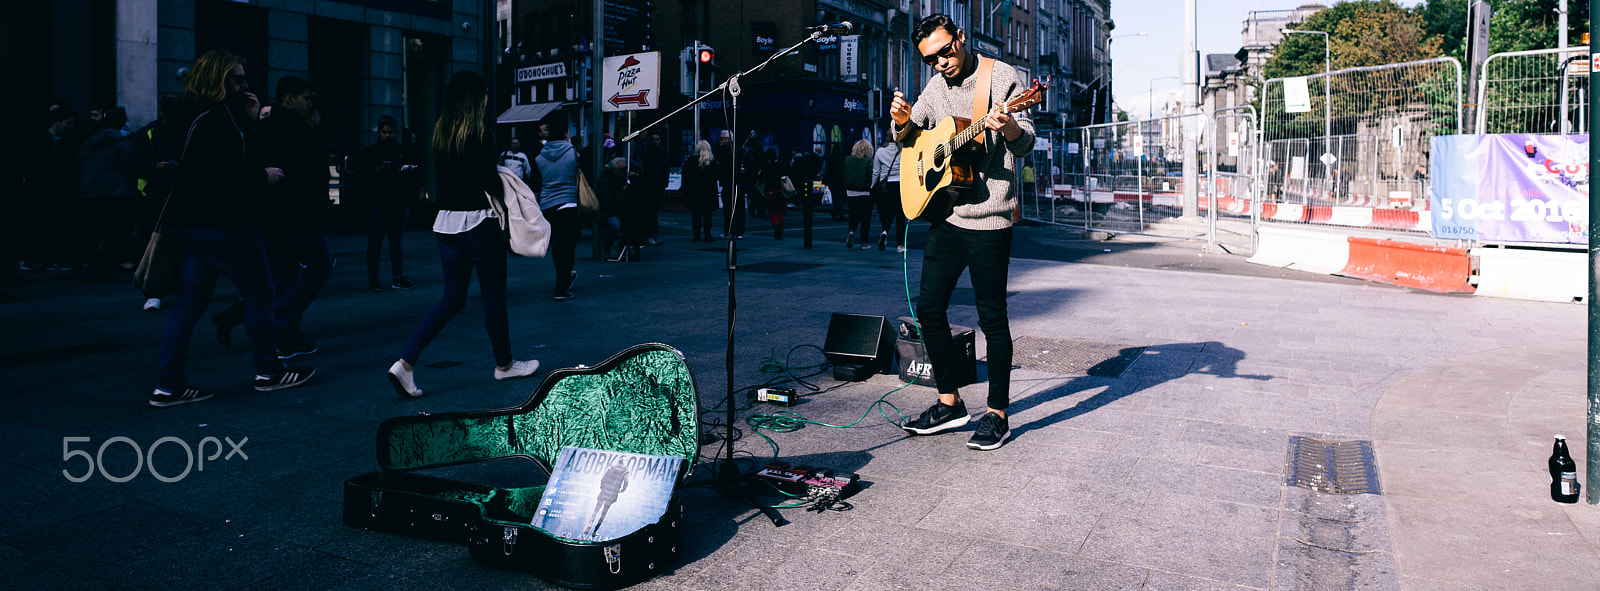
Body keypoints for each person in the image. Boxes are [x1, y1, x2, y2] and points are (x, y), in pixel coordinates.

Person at [889, 14, 1034, 450]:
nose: (941, 63)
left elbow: (1025, 140)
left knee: (992, 318)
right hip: (948, 216)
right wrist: (901, 122)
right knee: (929, 309)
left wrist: (1006, 124)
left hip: (989, 219)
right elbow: (913, 140)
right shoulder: (936, 87)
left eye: (946, 51)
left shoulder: (1001, 76)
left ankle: (997, 414)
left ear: (962, 38)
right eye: (930, 59)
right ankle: (949, 403)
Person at [151, 49, 315, 407]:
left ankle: (168, 385)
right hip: (225, 224)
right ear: (218, 80)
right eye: (236, 79)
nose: (244, 85)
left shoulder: (191, 115)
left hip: (191, 225)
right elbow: (225, 172)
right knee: (259, 294)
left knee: (188, 305)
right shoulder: (220, 119)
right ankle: (269, 371)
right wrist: (263, 172)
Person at [385, 71, 540, 398]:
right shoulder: (479, 134)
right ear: (474, 98)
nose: (486, 99)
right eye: (483, 94)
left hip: (446, 224)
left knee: (451, 298)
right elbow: (489, 182)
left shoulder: (442, 132)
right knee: (493, 296)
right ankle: (504, 364)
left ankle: (406, 363)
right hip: (479, 223)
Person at [255, 76, 333, 360]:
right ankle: (280, 322)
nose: (310, 103)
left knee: (285, 275)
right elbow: (311, 171)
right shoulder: (297, 128)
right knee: (319, 264)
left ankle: (285, 336)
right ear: (289, 98)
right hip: (298, 214)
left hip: (273, 215)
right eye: (305, 98)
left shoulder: (264, 127)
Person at [76, 106, 149, 282]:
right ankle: (102, 263)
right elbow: (130, 167)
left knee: (97, 229)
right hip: (115, 192)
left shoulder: (91, 142)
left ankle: (92, 262)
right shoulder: (121, 143)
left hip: (91, 192)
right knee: (115, 231)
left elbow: (78, 163)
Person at [354, 115, 420, 292]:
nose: (388, 135)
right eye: (385, 132)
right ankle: (376, 279)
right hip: (378, 202)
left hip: (395, 201)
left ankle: (393, 277)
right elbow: (362, 178)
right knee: (377, 242)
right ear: (379, 132)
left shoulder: (401, 151)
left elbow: (413, 174)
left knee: (394, 242)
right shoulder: (371, 153)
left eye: (390, 132)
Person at [535, 109, 581, 301]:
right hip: (568, 203)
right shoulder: (573, 154)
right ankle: (561, 287)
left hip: (547, 206)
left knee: (557, 247)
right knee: (568, 247)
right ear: (566, 134)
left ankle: (563, 279)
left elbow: (535, 183)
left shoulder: (539, 157)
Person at [872, 138, 906, 252]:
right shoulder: (903, 151)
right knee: (900, 216)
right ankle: (900, 245)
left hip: (885, 187)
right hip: (900, 185)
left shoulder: (880, 151)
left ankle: (884, 232)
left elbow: (876, 171)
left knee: (887, 214)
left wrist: (872, 187)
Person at [843, 139, 876, 249]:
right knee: (865, 219)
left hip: (850, 192)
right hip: (865, 193)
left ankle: (851, 231)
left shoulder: (847, 160)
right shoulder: (869, 161)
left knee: (853, 216)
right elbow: (871, 176)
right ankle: (864, 242)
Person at [682, 140, 718, 242]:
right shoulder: (712, 162)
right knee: (708, 215)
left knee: (696, 215)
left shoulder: (691, 161)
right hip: (708, 193)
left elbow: (686, 176)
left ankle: (696, 235)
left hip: (695, 192)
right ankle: (708, 234)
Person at [638, 132, 669, 245]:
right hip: (649, 183)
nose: (656, 142)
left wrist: (665, 182)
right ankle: (650, 235)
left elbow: (666, 168)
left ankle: (653, 235)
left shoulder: (662, 153)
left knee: (653, 210)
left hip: (657, 183)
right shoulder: (646, 153)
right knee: (650, 211)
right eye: (654, 140)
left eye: (657, 139)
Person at [713, 130, 744, 239]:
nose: (720, 141)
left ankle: (729, 231)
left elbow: (721, 168)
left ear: (728, 139)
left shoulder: (724, 152)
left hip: (728, 183)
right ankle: (738, 231)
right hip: (737, 184)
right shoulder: (738, 151)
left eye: (722, 138)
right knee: (738, 209)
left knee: (728, 210)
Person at [759, 148, 789, 239]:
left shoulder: (766, 166)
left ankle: (776, 225)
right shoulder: (781, 165)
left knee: (772, 211)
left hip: (770, 190)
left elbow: (762, 178)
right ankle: (781, 229)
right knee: (780, 211)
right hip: (780, 190)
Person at [823, 144, 847, 221]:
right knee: (839, 197)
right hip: (841, 181)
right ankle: (837, 213)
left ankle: (838, 213)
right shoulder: (843, 159)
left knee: (836, 197)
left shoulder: (831, 159)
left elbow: (828, 171)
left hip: (833, 181)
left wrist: (825, 181)